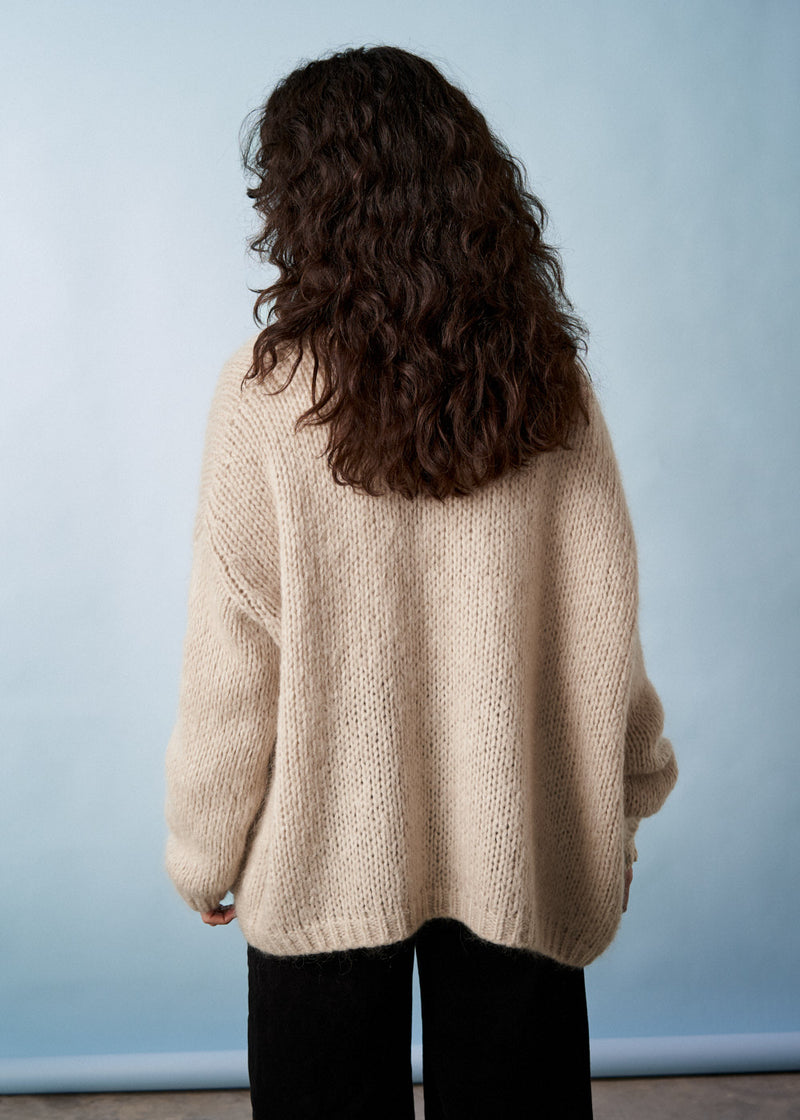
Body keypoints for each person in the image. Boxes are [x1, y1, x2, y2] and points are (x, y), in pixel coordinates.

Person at [164, 44, 678, 1120]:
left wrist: (204, 845)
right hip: (519, 834)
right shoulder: (550, 385)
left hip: (323, 848)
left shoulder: (262, 396)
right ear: (471, 186)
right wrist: (622, 798)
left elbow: (233, 656)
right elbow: (603, 622)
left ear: (303, 203)